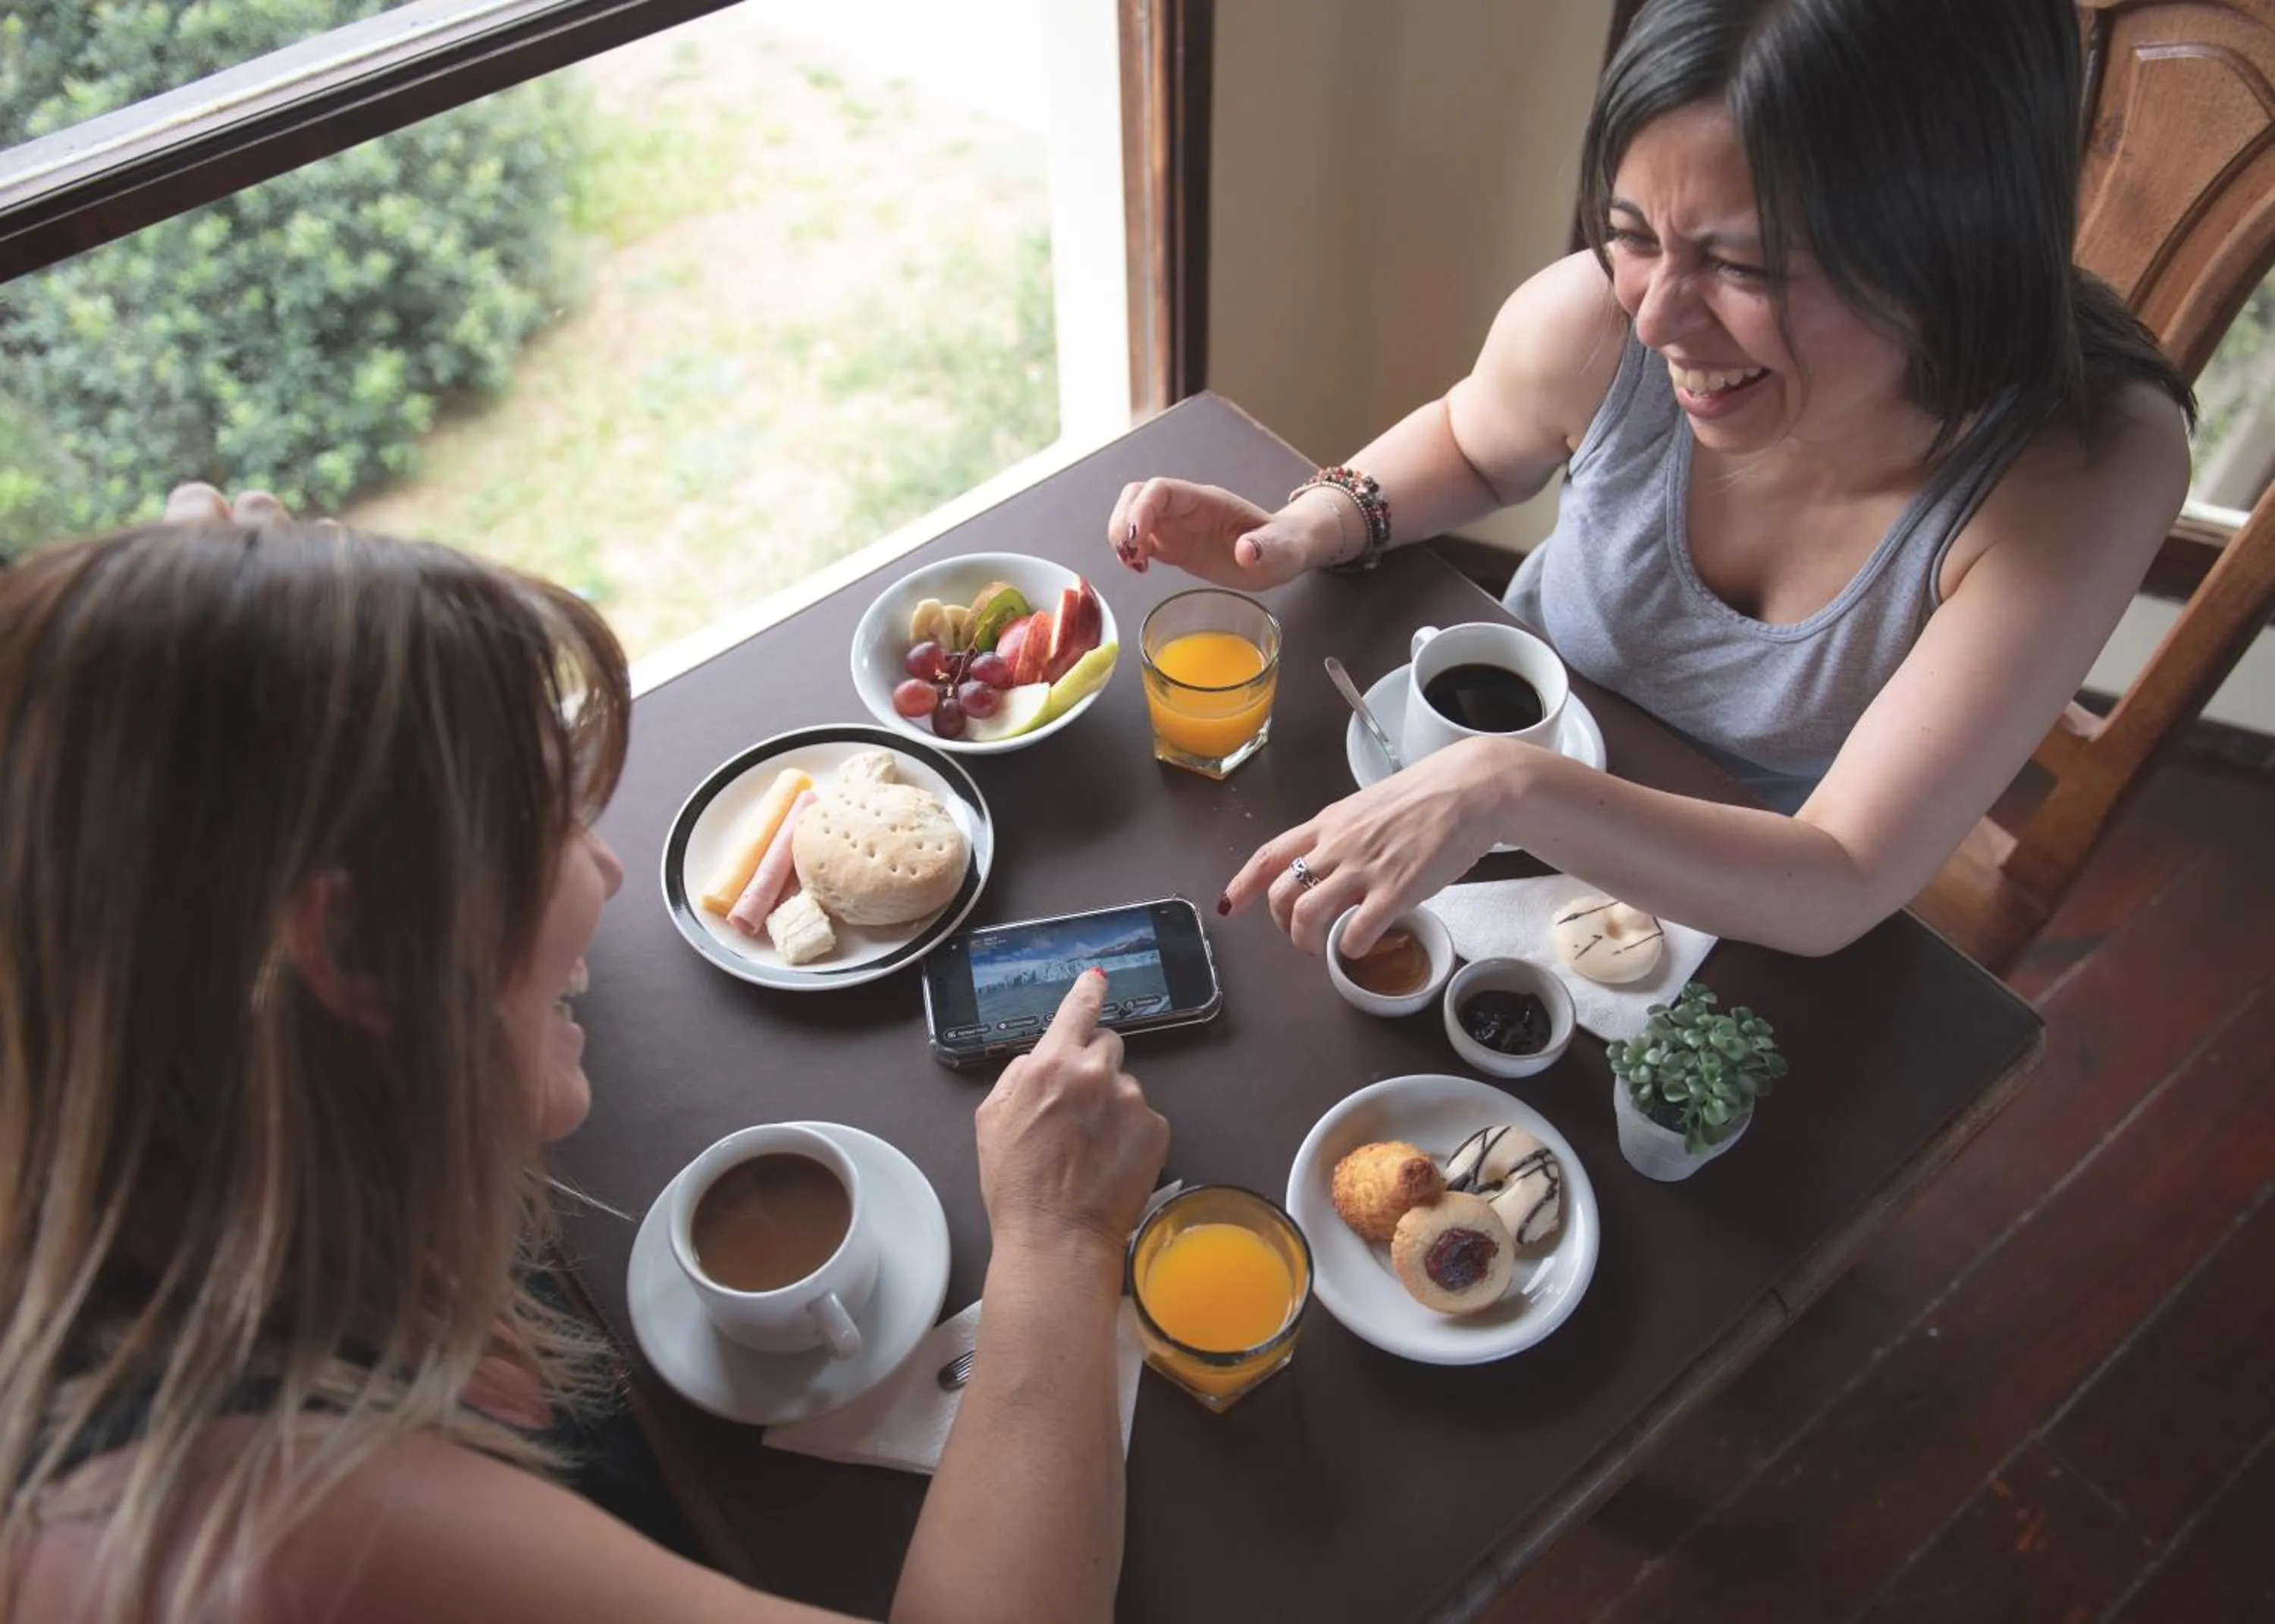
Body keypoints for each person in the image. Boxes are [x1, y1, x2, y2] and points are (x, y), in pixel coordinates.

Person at [2, 496, 1169, 1623]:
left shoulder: (160, 1072)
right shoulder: (286, 1537)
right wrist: (1058, 1235)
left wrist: (226, 698)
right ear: (351, 949)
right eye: (550, 821)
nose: (607, 874)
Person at [1109, 0, 2194, 961]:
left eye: (1741, 266)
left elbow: (1841, 873)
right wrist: (1314, 525)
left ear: (1948, 247)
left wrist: (1508, 790)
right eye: (1631, 235)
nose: (1657, 318)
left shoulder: (2084, 466)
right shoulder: (1594, 313)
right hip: (1489, 770)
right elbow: (1474, 440)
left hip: (1739, 895)